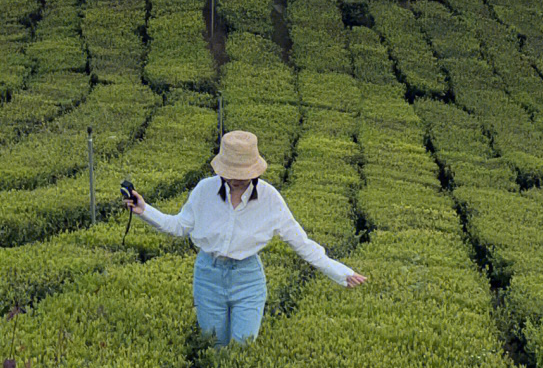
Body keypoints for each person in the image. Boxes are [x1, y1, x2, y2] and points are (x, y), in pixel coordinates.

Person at [123, 129, 368, 347]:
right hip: (208, 275)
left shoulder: (270, 198)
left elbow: (301, 243)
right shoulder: (204, 190)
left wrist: (339, 271)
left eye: (243, 172)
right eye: (232, 172)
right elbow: (178, 226)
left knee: (243, 348)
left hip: (248, 278)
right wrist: (145, 211)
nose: (237, 178)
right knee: (214, 346)